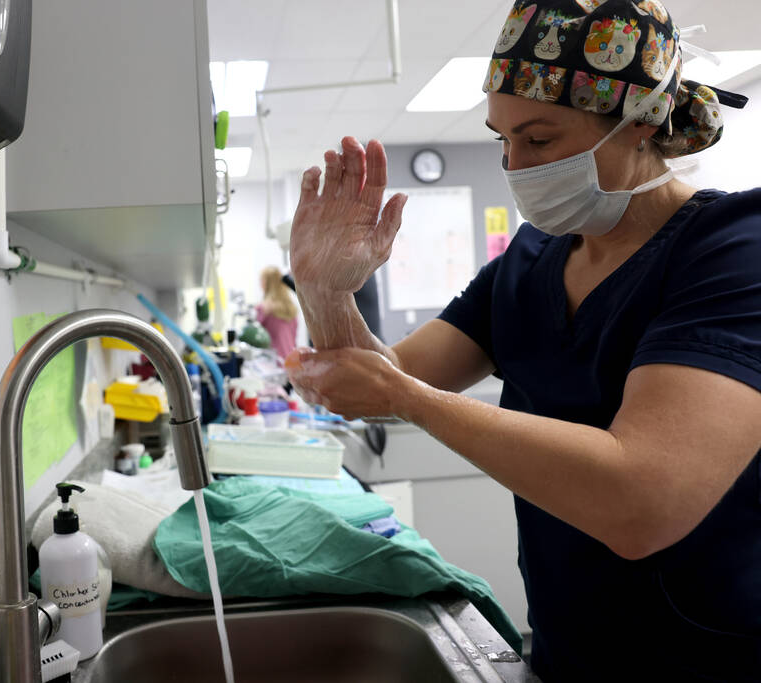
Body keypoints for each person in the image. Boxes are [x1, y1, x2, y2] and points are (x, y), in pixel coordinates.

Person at [284, 1, 760, 680]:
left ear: (641, 123)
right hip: (566, 650)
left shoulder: (732, 252)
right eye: (501, 140)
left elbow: (641, 501)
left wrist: (408, 396)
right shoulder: (531, 260)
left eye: (538, 141)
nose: (515, 166)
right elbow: (377, 384)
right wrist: (325, 290)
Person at [256, 265, 299, 359]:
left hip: (274, 362)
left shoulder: (263, 309)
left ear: (265, 283)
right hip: (292, 360)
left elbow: (257, 339)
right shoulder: (290, 308)